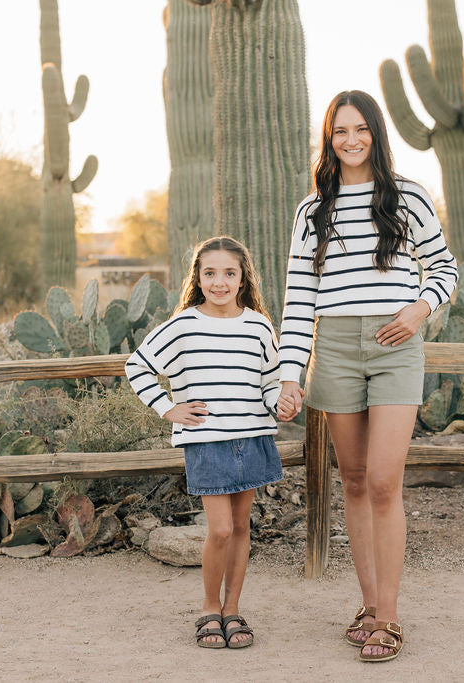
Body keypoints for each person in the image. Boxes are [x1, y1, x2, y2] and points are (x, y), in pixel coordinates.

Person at [277, 90, 458, 662]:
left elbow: (446, 268)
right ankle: (369, 603)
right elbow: (298, 298)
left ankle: (390, 617)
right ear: (328, 140)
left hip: (395, 346)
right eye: (339, 132)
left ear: (377, 134)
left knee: (383, 481)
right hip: (333, 346)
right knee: (353, 482)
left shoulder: (409, 197)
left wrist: (417, 308)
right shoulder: (313, 211)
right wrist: (288, 374)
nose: (351, 141)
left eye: (360, 130)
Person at [126, 236, 298, 650]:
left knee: (241, 527)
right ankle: (208, 608)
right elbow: (138, 366)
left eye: (229, 273)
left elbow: (269, 383)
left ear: (242, 279)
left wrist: (283, 404)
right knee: (219, 529)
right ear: (198, 278)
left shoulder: (258, 325)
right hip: (206, 442)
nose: (219, 282)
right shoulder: (184, 325)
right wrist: (169, 409)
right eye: (210, 273)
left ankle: (232, 609)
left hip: (253, 436)